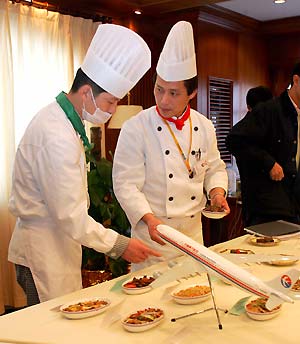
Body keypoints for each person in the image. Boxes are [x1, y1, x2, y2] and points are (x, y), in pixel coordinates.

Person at [8, 24, 161, 305]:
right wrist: (121, 245)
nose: (113, 110)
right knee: (46, 330)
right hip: (42, 249)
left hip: (59, 244)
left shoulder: (65, 123)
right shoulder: (56, 134)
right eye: (111, 101)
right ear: (87, 92)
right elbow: (71, 216)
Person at [112, 21, 229, 271]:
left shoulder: (205, 126)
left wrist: (217, 192)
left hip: (193, 238)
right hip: (152, 239)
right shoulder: (136, 127)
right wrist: (150, 220)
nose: (163, 100)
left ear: (192, 93)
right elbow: (125, 184)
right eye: (159, 89)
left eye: (173, 93)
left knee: (195, 297)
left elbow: (215, 168)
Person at [226, 63, 300, 227]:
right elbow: (234, 140)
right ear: (296, 80)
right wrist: (268, 162)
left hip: (294, 203)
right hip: (268, 207)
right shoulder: (269, 110)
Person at [227, 86, 273, 225]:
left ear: (248, 106)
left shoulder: (241, 129)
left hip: (253, 199)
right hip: (260, 200)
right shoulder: (245, 131)